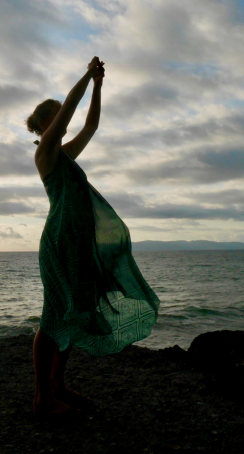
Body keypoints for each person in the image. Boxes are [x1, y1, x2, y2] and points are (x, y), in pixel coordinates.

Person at [26, 57, 160, 416]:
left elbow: (91, 124)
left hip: (79, 243)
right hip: (58, 243)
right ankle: (42, 397)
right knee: (53, 315)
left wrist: (99, 86)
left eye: (60, 114)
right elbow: (71, 107)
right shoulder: (46, 153)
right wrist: (86, 74)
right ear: (43, 125)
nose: (62, 119)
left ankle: (57, 385)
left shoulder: (66, 155)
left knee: (75, 312)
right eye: (55, 115)